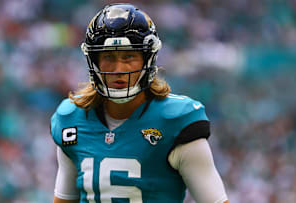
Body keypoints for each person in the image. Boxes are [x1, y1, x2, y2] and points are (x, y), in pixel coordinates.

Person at [50, 3, 229, 203]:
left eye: (129, 56)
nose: (118, 68)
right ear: (94, 62)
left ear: (147, 59)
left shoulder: (176, 122)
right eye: (108, 57)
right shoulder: (71, 120)